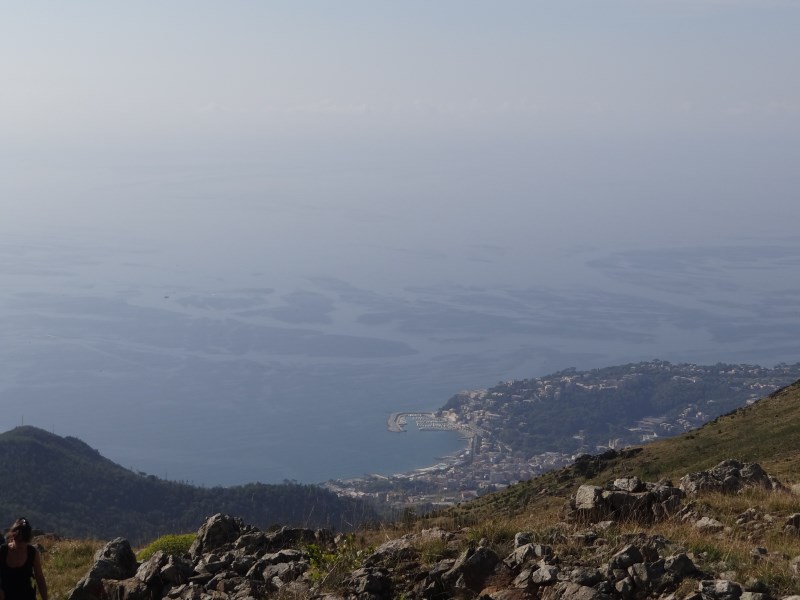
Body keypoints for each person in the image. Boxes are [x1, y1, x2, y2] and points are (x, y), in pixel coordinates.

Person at [0, 518, 47, 600]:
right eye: (18, 540)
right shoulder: (3, 551)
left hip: (26, 595)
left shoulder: (32, 553)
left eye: (25, 541)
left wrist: (45, 598)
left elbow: (39, 578)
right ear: (13, 537)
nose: (21, 544)